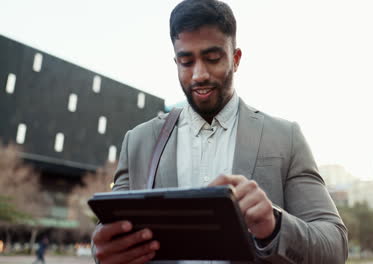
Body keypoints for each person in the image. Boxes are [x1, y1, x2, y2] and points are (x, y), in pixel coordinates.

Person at [91, 0, 348, 263]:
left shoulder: (286, 138)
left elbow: (335, 246)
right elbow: (106, 234)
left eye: (212, 58)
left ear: (236, 59)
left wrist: (274, 225)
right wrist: (102, 249)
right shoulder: (138, 141)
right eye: (186, 61)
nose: (199, 74)